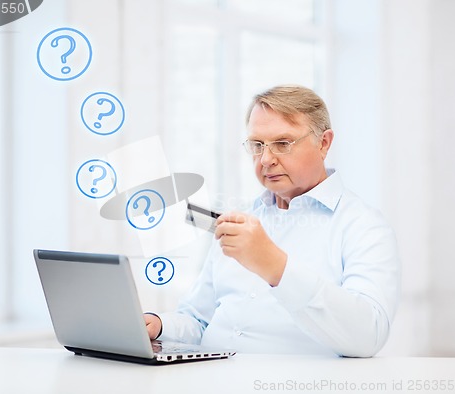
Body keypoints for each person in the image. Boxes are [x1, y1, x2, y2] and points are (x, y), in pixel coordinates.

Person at [144, 85, 400, 357]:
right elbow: (199, 319)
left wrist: (276, 267)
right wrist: (158, 325)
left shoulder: (364, 226)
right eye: (257, 145)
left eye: (282, 143)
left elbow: (367, 337)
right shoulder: (242, 219)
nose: (266, 159)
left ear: (324, 143)